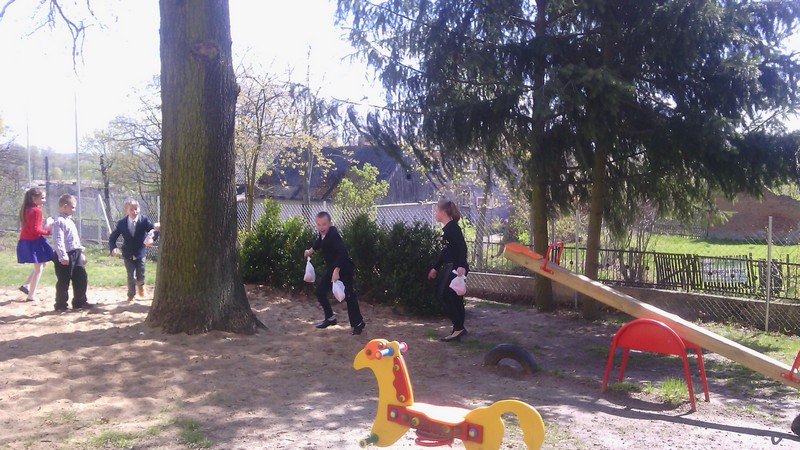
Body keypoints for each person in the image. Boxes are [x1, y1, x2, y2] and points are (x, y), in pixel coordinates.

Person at [303, 211, 366, 335]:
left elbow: (343, 252)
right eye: (318, 224)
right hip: (332, 269)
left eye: (324, 224)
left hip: (344, 268)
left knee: (349, 295)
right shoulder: (323, 233)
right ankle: (330, 318)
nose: (321, 227)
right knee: (320, 291)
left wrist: (337, 270)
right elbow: (319, 241)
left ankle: (358, 323)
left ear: (330, 224)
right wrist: (311, 250)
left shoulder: (334, 234)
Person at [427, 199, 469, 342]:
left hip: (456, 268)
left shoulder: (452, 228)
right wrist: (435, 268)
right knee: (455, 298)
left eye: (437, 211)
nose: (435, 213)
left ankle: (458, 328)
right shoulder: (448, 229)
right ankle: (459, 328)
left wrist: (461, 266)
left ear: (443, 212)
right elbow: (445, 252)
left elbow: (462, 248)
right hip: (453, 266)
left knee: (445, 295)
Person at [108, 199, 160, 303]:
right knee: (131, 274)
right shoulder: (122, 223)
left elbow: (153, 230)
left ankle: (141, 284)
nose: (134, 211)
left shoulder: (143, 220)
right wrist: (113, 248)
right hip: (127, 253)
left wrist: (152, 238)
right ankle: (131, 295)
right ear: (126, 210)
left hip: (140, 253)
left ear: (139, 209)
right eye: (131, 209)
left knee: (141, 273)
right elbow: (112, 238)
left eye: (136, 209)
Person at [51, 194, 92, 312]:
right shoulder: (59, 221)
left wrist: (80, 253)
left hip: (75, 253)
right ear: (65, 206)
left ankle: (80, 302)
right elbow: (58, 240)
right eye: (72, 207)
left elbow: (74, 240)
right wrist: (62, 255)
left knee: (81, 277)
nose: (74, 210)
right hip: (66, 255)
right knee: (64, 281)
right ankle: (60, 305)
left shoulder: (69, 220)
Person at [16, 187, 54, 301]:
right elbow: (35, 229)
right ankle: (31, 295)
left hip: (26, 240)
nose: (44, 200)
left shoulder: (25, 208)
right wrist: (48, 232)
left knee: (43, 263)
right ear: (34, 198)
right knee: (39, 268)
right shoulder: (36, 211)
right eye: (42, 198)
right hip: (33, 241)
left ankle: (26, 285)